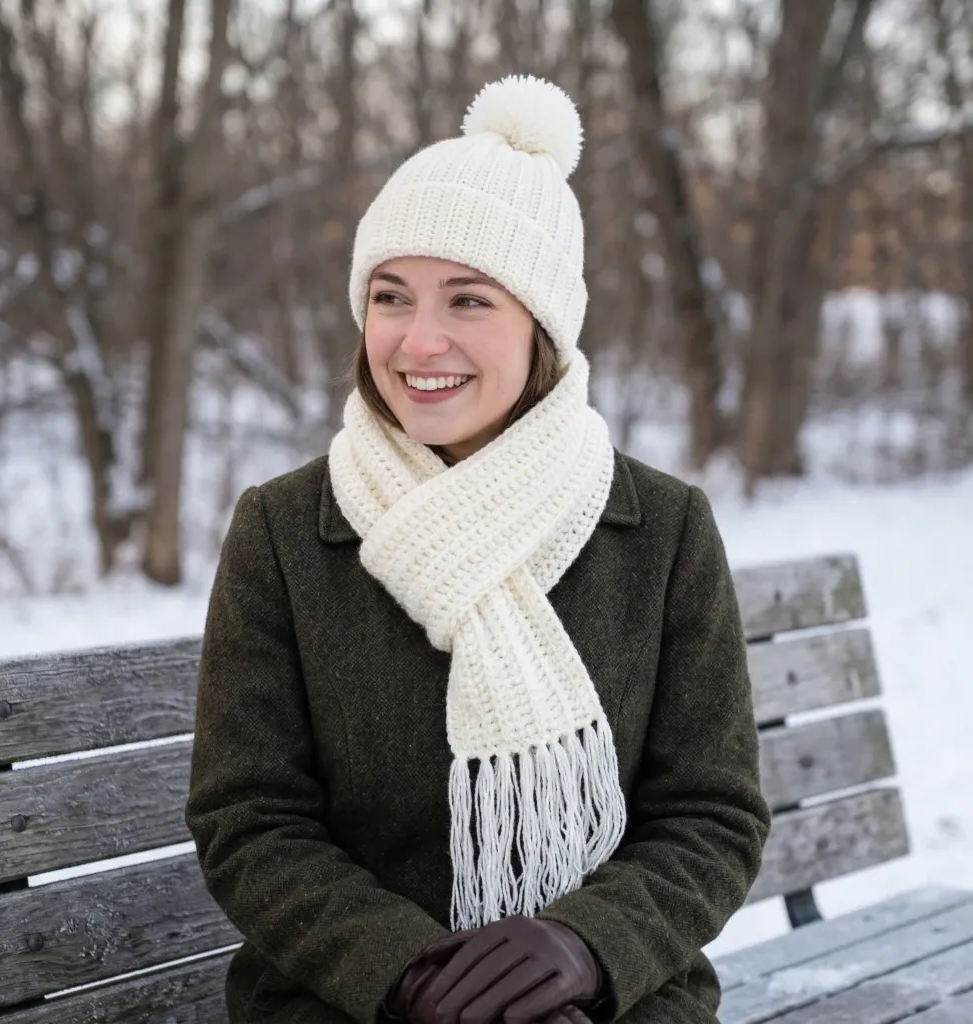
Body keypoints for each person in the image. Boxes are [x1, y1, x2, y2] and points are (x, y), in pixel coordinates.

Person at [185, 75, 771, 1024]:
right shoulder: (287, 531)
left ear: (543, 325)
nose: (420, 341)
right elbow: (250, 824)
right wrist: (415, 976)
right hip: (348, 1001)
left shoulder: (661, 530)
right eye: (390, 297)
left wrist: (582, 949)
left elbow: (712, 816)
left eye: (468, 300)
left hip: (614, 997)